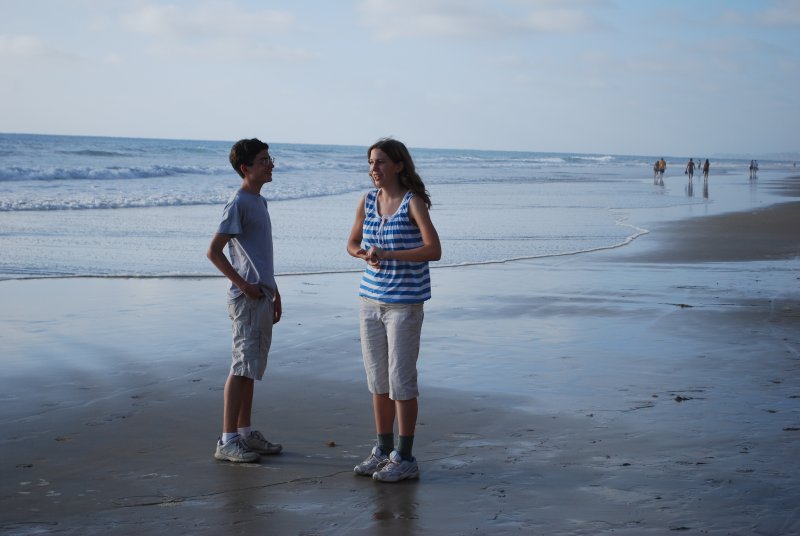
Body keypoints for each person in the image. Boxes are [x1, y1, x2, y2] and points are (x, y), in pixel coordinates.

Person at [346, 138, 442, 482]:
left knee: (401, 381)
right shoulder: (367, 201)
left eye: (381, 162)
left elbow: (434, 249)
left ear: (399, 165)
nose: (374, 168)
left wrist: (389, 255)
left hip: (404, 305)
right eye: (371, 162)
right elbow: (352, 243)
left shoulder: (413, 203)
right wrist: (364, 254)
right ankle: (383, 450)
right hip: (369, 301)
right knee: (378, 381)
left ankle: (405, 456)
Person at [207, 138, 283, 463]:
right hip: (246, 299)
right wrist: (245, 285)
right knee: (240, 366)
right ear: (246, 168)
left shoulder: (259, 202)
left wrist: (274, 290)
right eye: (264, 160)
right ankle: (227, 440)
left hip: (262, 296)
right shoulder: (238, 202)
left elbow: (259, 256)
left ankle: (245, 433)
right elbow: (214, 251)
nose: (271, 164)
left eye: (270, 158)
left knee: (251, 367)